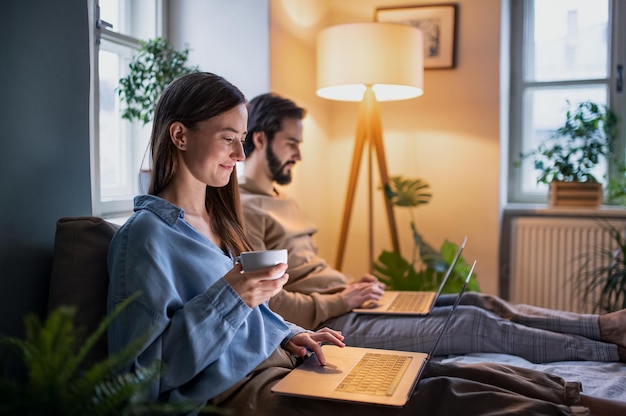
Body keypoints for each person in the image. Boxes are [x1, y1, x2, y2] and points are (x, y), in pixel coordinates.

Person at [107, 72, 626, 416]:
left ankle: (577, 397)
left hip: (284, 361)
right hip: (241, 392)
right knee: (438, 394)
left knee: (436, 369)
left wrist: (289, 334)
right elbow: (137, 384)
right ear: (179, 135)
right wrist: (237, 294)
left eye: (243, 139)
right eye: (228, 138)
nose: (241, 154)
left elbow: (248, 320)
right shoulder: (146, 239)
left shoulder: (216, 219)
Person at [239, 92, 626, 365]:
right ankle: (612, 352)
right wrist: (341, 301)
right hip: (329, 324)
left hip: (346, 303)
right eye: (292, 143)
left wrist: (350, 286)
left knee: (479, 302)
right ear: (260, 139)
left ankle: (603, 325)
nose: (299, 155)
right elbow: (270, 304)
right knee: (474, 325)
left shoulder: (278, 197)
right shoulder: (245, 210)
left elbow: (308, 271)